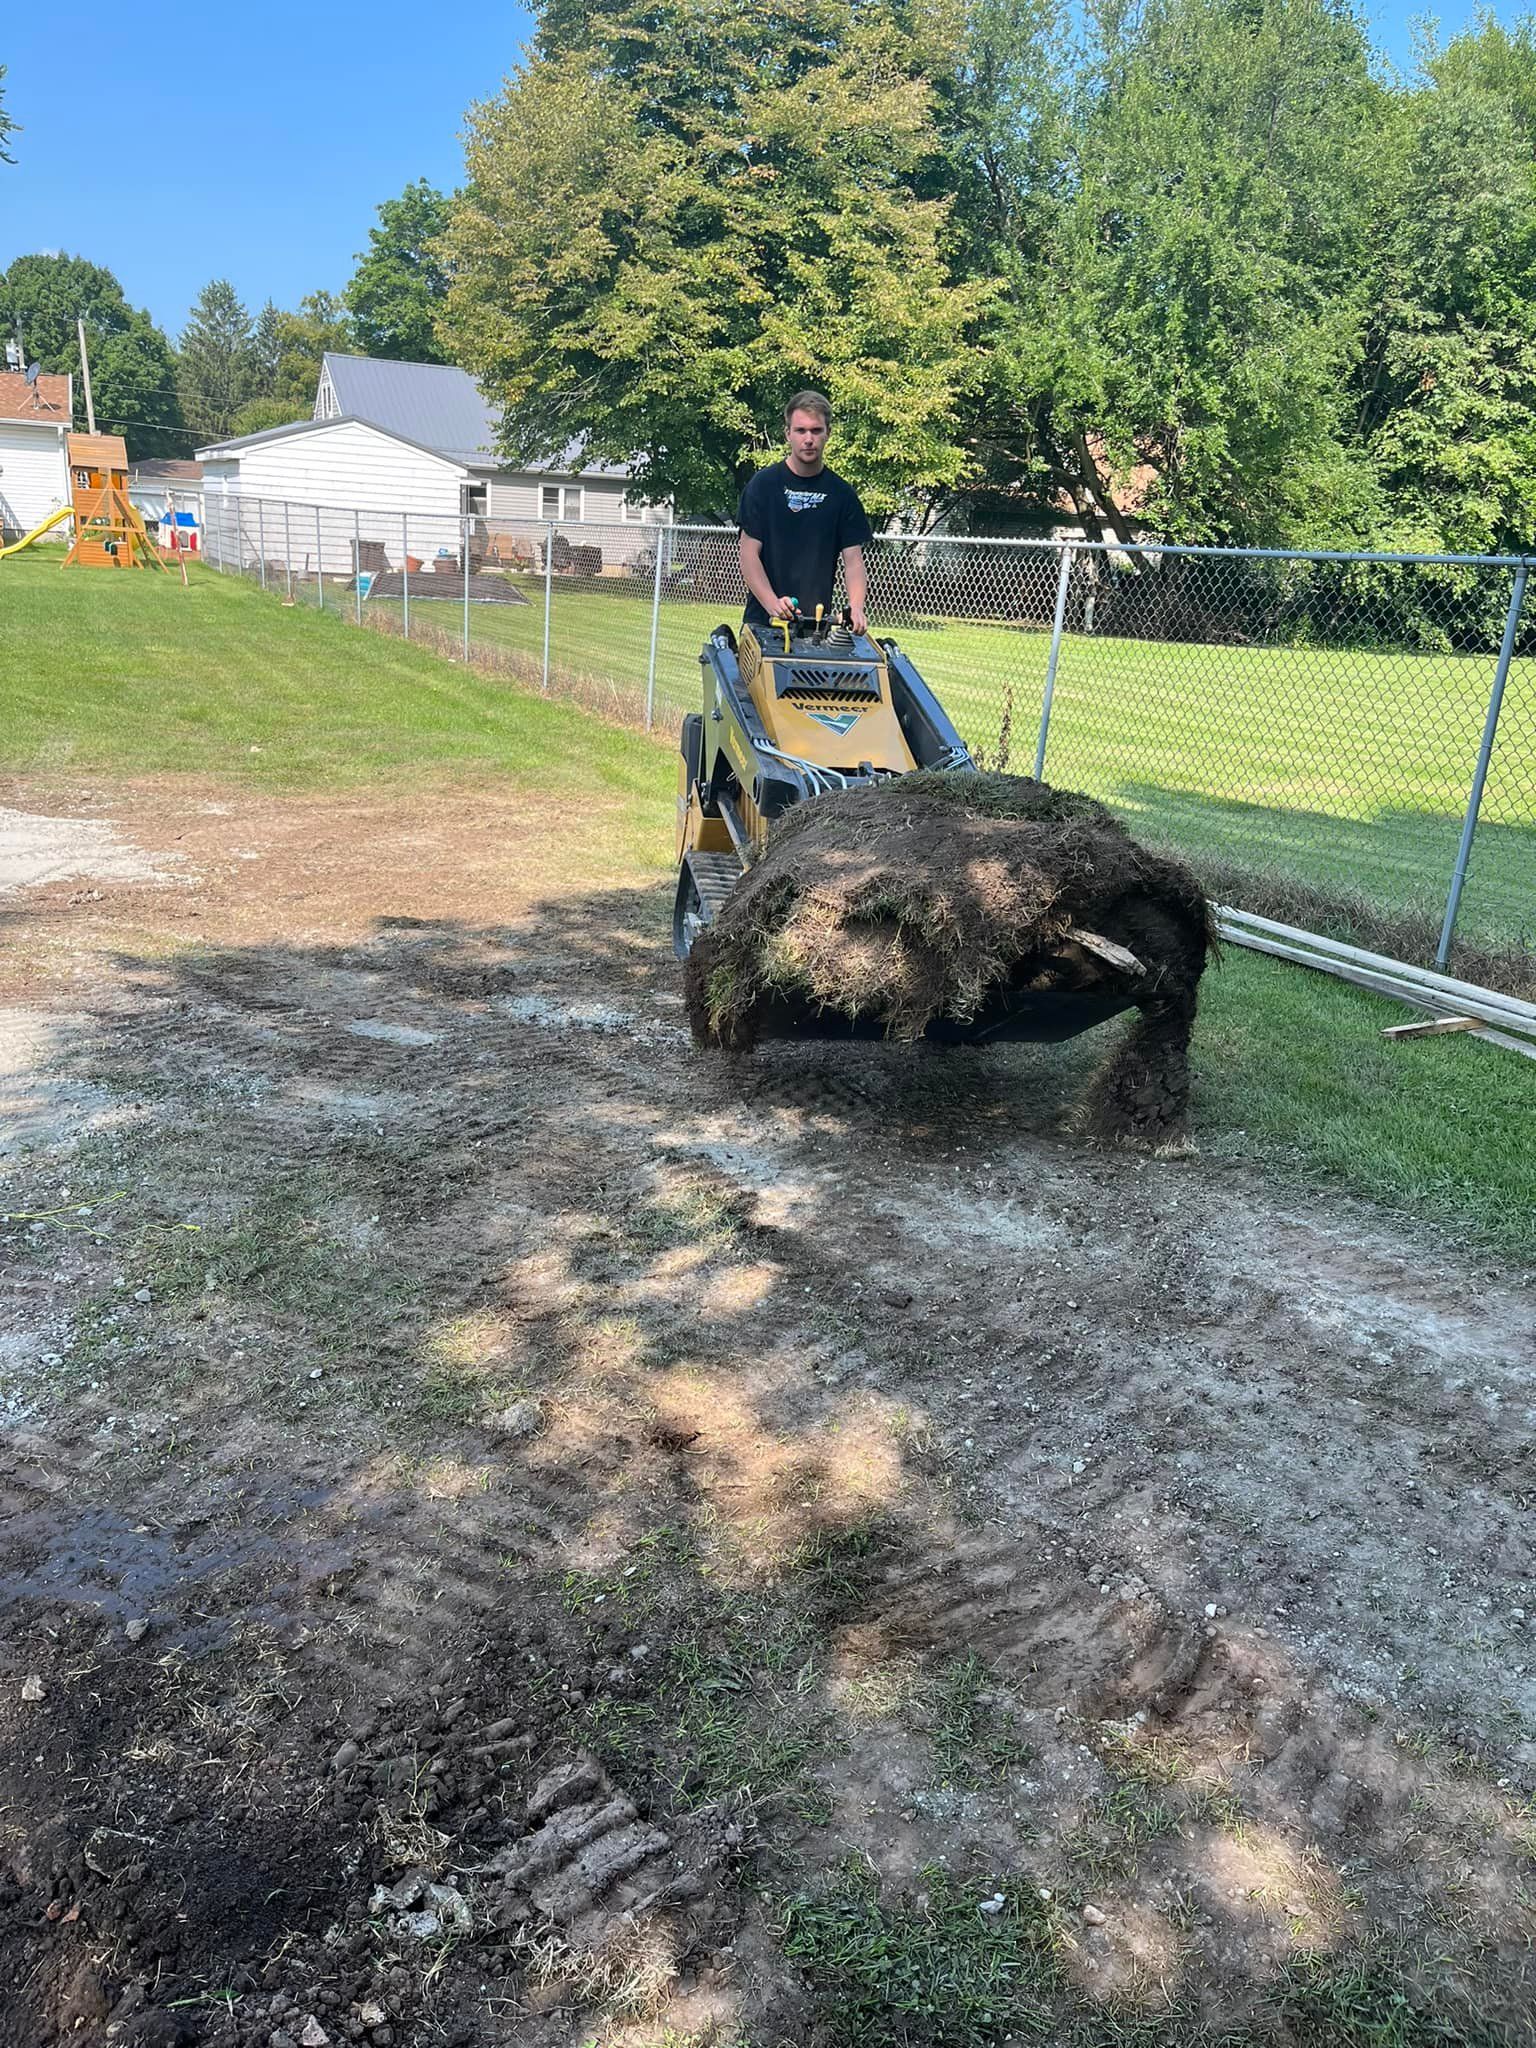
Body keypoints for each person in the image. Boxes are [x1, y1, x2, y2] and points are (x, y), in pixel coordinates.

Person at [737, 392, 872, 636]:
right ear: (787, 434)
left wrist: (856, 607)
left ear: (827, 433)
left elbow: (853, 561)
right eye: (800, 431)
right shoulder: (763, 485)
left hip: (816, 631)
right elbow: (748, 555)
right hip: (762, 627)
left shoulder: (842, 494)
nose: (808, 439)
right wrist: (773, 605)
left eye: (816, 430)